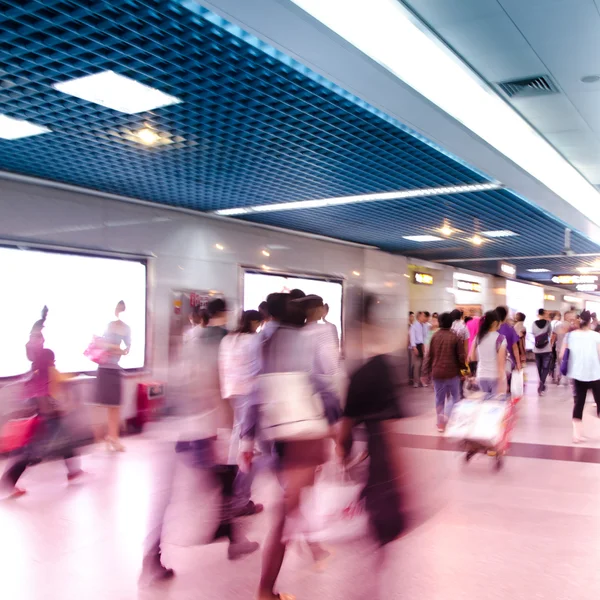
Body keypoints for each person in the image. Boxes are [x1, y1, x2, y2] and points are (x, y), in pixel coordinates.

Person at [140, 297, 258, 585]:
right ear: (225, 314)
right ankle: (229, 535)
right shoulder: (223, 341)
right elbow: (216, 386)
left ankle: (153, 559)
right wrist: (233, 429)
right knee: (224, 479)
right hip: (199, 424)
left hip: (171, 423)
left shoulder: (189, 337)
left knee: (171, 494)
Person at [240, 296, 341, 600]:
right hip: (301, 434)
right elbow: (321, 385)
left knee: (290, 504)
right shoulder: (304, 341)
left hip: (272, 435)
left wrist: (246, 438)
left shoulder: (260, 342)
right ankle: (265, 590)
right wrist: (337, 423)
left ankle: (307, 544)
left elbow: (253, 392)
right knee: (287, 511)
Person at [337, 291, 406, 560]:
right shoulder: (384, 368)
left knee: (378, 503)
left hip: (375, 448)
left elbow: (348, 421)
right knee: (383, 507)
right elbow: (389, 424)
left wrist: (342, 452)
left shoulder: (361, 372)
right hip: (380, 451)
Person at [1, 348, 83, 498]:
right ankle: (8, 483)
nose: (54, 362)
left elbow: (29, 396)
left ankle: (74, 472)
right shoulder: (50, 372)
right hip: (48, 419)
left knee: (67, 443)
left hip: (46, 417)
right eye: (53, 359)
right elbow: (62, 382)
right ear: (50, 360)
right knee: (31, 453)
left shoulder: (36, 373)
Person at [219, 309, 265, 515]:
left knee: (238, 436)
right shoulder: (253, 340)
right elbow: (258, 369)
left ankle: (232, 483)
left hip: (232, 391)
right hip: (249, 392)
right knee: (248, 442)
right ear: (255, 322)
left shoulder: (229, 339)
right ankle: (239, 495)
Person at [93, 300, 131, 452]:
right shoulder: (107, 325)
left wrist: (117, 349)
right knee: (102, 405)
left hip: (115, 369)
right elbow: (99, 344)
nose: (119, 312)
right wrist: (115, 348)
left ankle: (113, 437)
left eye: (122, 309)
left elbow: (127, 350)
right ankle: (105, 437)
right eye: (118, 309)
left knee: (115, 406)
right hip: (103, 368)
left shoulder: (126, 329)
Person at [421, 312, 465, 432]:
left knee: (439, 398)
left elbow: (428, 356)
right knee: (455, 397)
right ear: (451, 323)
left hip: (437, 373)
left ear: (440, 323)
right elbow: (461, 357)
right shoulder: (455, 337)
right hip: (452, 373)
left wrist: (425, 373)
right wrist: (464, 371)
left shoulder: (434, 337)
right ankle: (447, 415)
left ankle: (440, 424)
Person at [560, 311, 600, 443]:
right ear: (590, 322)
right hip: (595, 373)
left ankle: (577, 435)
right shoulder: (596, 336)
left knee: (579, 403)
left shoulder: (570, 336)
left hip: (577, 374)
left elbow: (561, 355)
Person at [468, 310, 507, 398]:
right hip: (494, 377)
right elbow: (501, 364)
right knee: (494, 407)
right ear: (495, 323)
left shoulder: (478, 337)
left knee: (485, 406)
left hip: (481, 376)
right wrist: (502, 382)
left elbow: (472, 357)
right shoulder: (500, 339)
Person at [532, 308, 555, 396]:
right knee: (545, 368)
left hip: (537, 349)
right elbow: (550, 333)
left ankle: (541, 383)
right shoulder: (548, 323)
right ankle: (541, 384)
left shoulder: (534, 323)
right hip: (546, 348)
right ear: (544, 314)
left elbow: (534, 333)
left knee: (539, 367)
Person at [496, 306, 522, 379]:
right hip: (508, 361)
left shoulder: (492, 330)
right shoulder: (510, 329)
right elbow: (515, 347)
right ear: (505, 316)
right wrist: (518, 363)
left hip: (494, 362)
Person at [409, 311, 427, 388]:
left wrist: (424, 347)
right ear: (419, 317)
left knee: (422, 365)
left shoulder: (424, 325)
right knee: (417, 365)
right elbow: (412, 337)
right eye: (423, 316)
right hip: (416, 346)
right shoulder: (414, 326)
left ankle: (421, 381)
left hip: (422, 345)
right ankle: (416, 382)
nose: (424, 318)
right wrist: (414, 347)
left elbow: (424, 337)